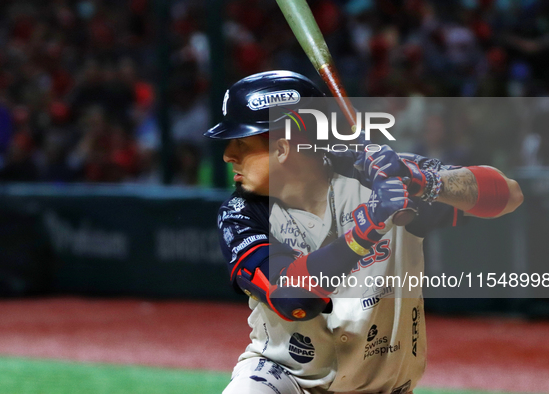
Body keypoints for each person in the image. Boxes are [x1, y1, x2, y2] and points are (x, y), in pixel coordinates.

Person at [205, 70, 523, 394]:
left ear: (283, 148)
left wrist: (421, 181)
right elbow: (293, 299)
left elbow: (508, 195)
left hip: (382, 387)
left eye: (241, 143)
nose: (228, 155)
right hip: (283, 378)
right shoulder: (241, 213)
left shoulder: (384, 178)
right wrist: (366, 229)